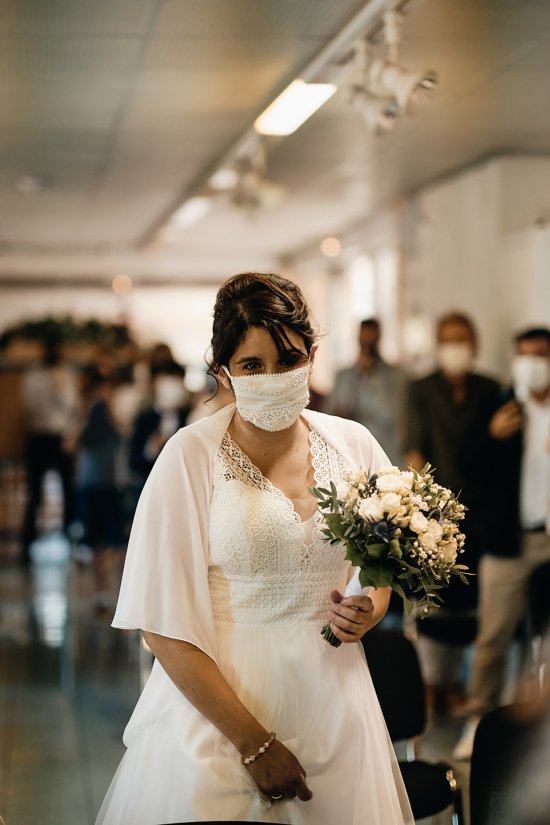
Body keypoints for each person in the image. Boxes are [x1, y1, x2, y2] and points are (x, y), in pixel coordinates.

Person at [96, 273, 413, 825]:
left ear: (313, 355)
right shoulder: (189, 457)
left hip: (337, 697)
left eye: (290, 360)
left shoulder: (354, 443)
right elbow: (161, 626)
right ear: (222, 370)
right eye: (252, 365)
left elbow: (378, 558)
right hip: (223, 708)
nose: (274, 377)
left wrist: (372, 606)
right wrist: (254, 744)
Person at [453, 326, 550, 759]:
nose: (532, 364)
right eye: (524, 355)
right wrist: (492, 436)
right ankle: (480, 719)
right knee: (492, 636)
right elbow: (465, 465)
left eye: (541, 356)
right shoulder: (497, 403)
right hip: (510, 540)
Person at [405, 312, 506, 713]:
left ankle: (455, 685)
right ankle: (433, 682)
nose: (455, 347)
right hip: (435, 510)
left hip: (480, 510)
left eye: (462, 339)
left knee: (470, 600)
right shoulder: (421, 389)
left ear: (475, 344)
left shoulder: (490, 389)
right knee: (432, 601)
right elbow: (415, 447)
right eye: (447, 339)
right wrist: (419, 507)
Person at [20, 340, 79, 564]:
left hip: (60, 438)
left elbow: (71, 405)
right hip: (38, 436)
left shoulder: (66, 374)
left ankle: (70, 541)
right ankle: (28, 543)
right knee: (34, 491)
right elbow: (30, 405)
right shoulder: (33, 375)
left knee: (68, 490)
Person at [325, 318, 406, 465]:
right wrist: (358, 380)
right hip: (352, 454)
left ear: (378, 338)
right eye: (363, 340)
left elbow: (390, 414)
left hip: (386, 453)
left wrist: (372, 380)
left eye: (371, 340)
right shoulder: (344, 376)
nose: (367, 345)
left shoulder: (395, 376)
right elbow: (330, 416)